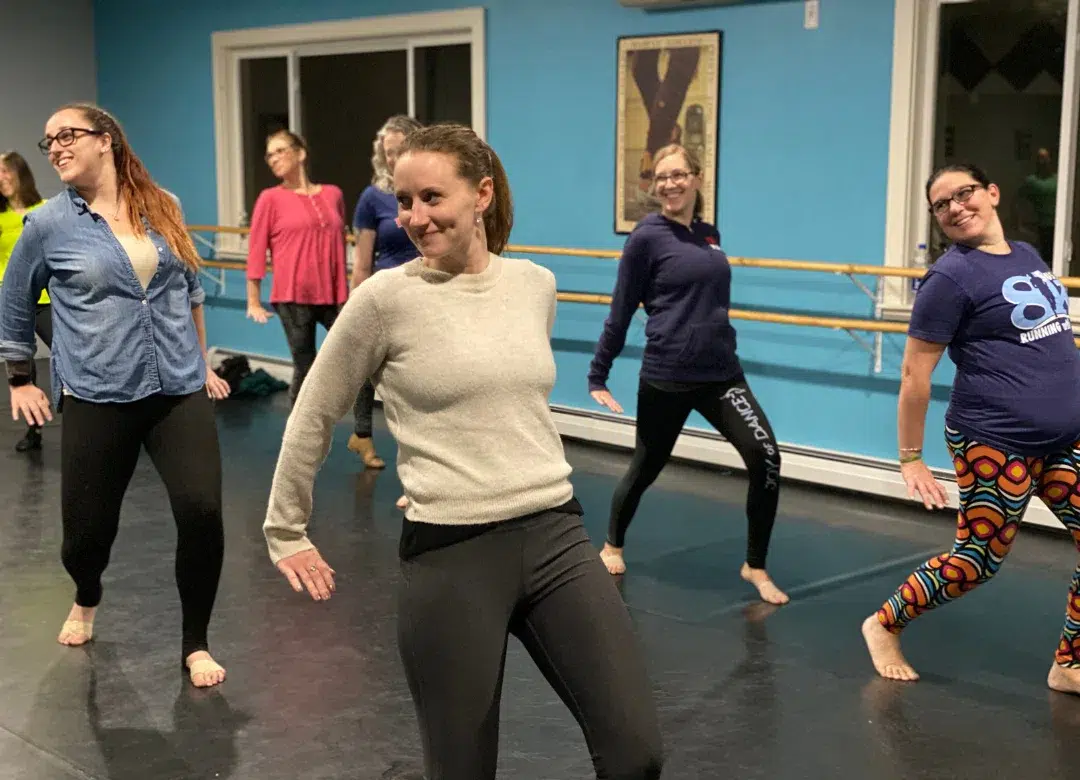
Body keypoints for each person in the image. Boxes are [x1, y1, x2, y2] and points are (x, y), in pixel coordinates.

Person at [262, 123, 664, 779]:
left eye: (431, 198)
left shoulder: (534, 285)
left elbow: (507, 398)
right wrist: (286, 528)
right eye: (403, 201)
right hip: (451, 555)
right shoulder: (385, 300)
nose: (414, 218)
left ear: (481, 194)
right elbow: (313, 411)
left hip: (556, 536)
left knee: (636, 752)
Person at [0, 102, 231, 688]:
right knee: (85, 534)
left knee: (202, 512)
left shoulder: (164, 206)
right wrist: (20, 377)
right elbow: (15, 300)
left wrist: (202, 362)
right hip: (99, 394)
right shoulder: (48, 224)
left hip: (177, 389)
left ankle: (195, 642)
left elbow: (189, 291)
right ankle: (85, 594)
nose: (54, 148)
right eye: (47, 140)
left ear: (107, 140)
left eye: (67, 135)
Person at [861, 163, 1080, 696]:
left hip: (1062, 440)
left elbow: (1049, 341)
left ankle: (1068, 664)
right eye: (943, 205)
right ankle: (883, 624)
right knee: (978, 561)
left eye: (965, 194)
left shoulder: (1026, 255)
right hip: (994, 441)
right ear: (938, 220)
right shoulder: (949, 279)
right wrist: (910, 456)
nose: (957, 207)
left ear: (993, 192)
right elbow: (915, 373)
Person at [587, 143, 789, 605]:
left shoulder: (708, 234)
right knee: (646, 466)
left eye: (678, 175)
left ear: (697, 178)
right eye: (661, 177)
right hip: (667, 374)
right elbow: (620, 310)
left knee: (767, 458)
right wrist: (599, 374)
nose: (669, 184)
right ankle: (612, 543)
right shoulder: (645, 237)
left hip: (722, 375)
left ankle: (754, 565)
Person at [245, 130, 381, 464]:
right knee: (305, 368)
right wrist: (253, 299)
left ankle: (362, 435)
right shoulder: (269, 199)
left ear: (300, 153)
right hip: (292, 296)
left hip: (333, 293)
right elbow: (256, 247)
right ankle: (298, 441)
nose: (274, 159)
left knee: (360, 362)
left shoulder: (332, 194)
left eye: (280, 151)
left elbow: (342, 240)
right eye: (269, 154)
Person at [348, 114, 424, 471]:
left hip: (425, 290)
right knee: (370, 368)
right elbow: (362, 262)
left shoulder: (427, 192)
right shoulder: (373, 198)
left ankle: (424, 451)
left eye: (400, 151)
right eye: (388, 153)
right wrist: (354, 306)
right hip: (385, 292)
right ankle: (362, 433)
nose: (392, 159)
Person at [0, 150, 51, 452]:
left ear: (20, 172)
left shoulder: (45, 210)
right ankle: (34, 430)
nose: (1, 177)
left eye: (5, 170)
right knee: (22, 366)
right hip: (9, 298)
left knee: (68, 352)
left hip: (46, 295)